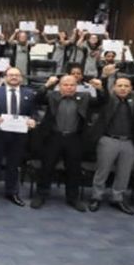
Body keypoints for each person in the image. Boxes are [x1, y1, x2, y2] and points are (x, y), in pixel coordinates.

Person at [33, 74, 104, 212]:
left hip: (74, 138)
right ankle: (41, 195)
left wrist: (100, 89)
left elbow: (102, 102)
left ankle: (73, 198)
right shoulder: (52, 96)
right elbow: (37, 98)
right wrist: (47, 85)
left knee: (73, 170)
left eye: (72, 85)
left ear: (76, 86)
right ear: (60, 86)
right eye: (65, 85)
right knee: (46, 168)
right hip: (53, 137)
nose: (69, 87)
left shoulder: (84, 97)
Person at [0, 67, 38, 206]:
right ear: (5, 77)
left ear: (21, 78)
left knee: (14, 165)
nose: (13, 77)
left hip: (19, 136)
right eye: (11, 75)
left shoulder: (29, 93)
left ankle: (12, 192)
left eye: (16, 75)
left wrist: (33, 120)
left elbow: (34, 113)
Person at [86, 76, 134, 214]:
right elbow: (102, 96)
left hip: (129, 142)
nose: (123, 88)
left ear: (131, 88)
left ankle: (117, 198)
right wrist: (103, 80)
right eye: (120, 85)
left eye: (126, 86)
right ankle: (96, 197)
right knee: (102, 171)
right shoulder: (108, 100)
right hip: (108, 141)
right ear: (114, 88)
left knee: (124, 173)